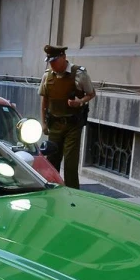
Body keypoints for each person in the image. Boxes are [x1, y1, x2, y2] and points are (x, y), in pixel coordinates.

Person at [38, 45, 96, 189]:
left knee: (70, 163)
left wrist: (80, 102)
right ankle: (52, 190)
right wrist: (43, 123)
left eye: (55, 61)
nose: (52, 64)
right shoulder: (48, 76)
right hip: (54, 124)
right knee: (52, 161)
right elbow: (44, 99)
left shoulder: (79, 74)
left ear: (64, 57)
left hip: (72, 125)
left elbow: (91, 93)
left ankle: (72, 194)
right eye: (50, 61)